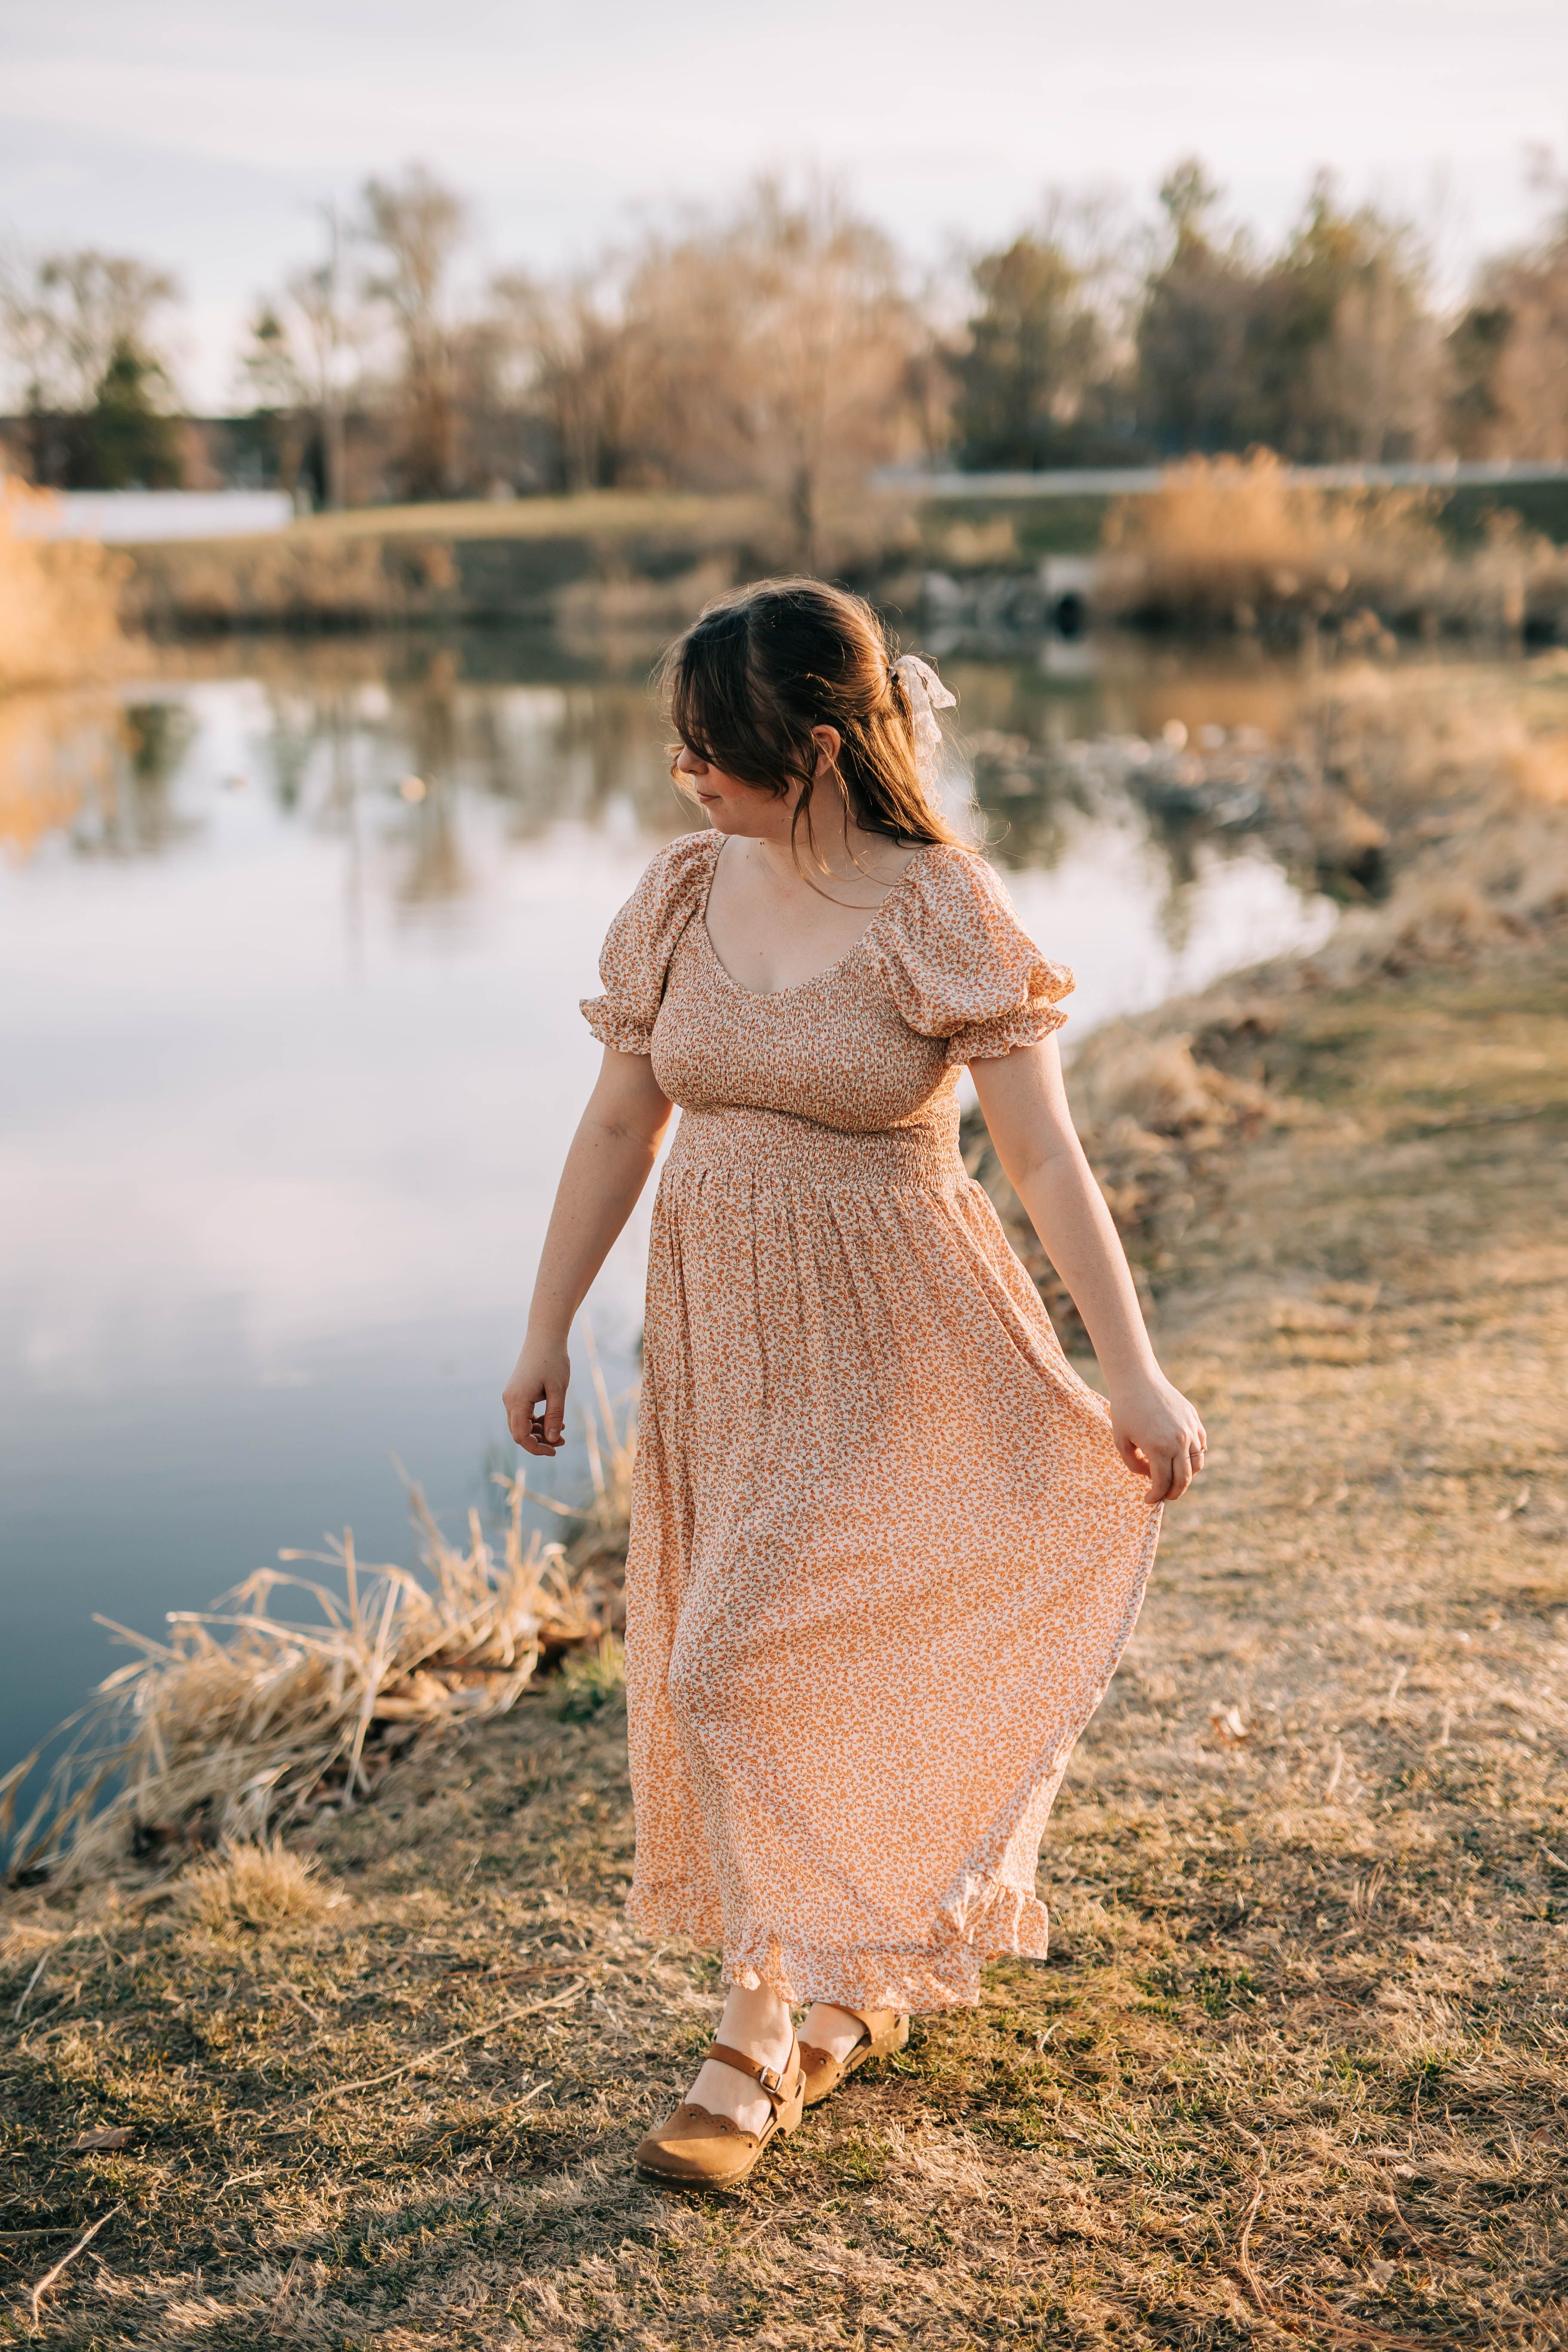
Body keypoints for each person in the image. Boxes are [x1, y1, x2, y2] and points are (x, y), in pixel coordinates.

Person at [503, 579, 1206, 2189]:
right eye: (681, 753)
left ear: (815, 750)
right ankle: (839, 1977)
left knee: (734, 1660)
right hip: (719, 1338)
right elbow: (622, 1125)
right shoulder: (682, 894)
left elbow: (1040, 1152)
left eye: (713, 755)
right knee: (721, 1642)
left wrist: (1135, 1374)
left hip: (896, 1333)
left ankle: (757, 2030)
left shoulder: (937, 906)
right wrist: (546, 1328)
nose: (688, 779)